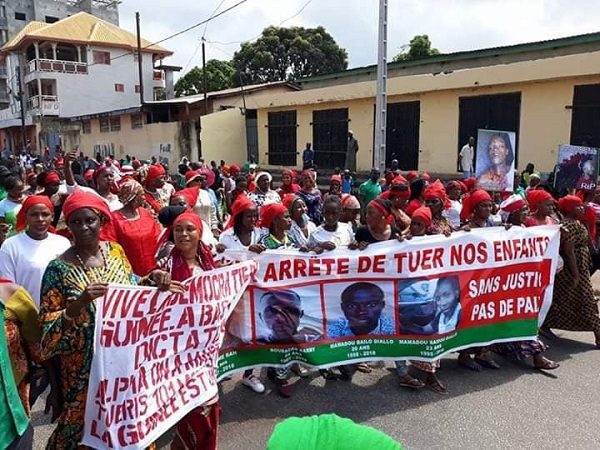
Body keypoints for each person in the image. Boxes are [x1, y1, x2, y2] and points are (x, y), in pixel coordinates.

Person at [38, 189, 180, 449]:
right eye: (76, 222)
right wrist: (79, 303)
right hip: (83, 371)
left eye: (89, 220)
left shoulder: (115, 251)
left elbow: (131, 286)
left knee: (128, 423)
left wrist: (151, 279)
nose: (83, 227)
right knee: (79, 430)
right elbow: (46, 335)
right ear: (67, 226)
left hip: (123, 364)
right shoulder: (57, 269)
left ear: (102, 221)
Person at [155, 211, 221, 450]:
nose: (183, 234)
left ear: (199, 233)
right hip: (176, 353)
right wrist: (154, 279)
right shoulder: (164, 265)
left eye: (189, 229)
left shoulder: (210, 262)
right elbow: (142, 293)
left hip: (205, 351)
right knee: (187, 409)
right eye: (178, 230)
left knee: (206, 407)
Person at [542, 195, 600, 347]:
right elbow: (569, 252)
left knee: (565, 300)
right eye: (577, 206)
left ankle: (546, 324)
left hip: (582, 266)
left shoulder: (578, 223)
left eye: (581, 205)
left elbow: (589, 245)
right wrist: (575, 274)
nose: (581, 208)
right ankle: (598, 333)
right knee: (586, 300)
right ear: (568, 209)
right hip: (572, 268)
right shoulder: (568, 225)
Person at [0, 196, 70, 307]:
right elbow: (8, 288)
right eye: (34, 215)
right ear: (25, 217)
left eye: (45, 214)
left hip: (57, 314)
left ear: (52, 217)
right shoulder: (10, 246)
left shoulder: (63, 243)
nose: (40, 219)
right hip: (24, 315)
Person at [101, 178, 162, 276]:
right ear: (133, 197)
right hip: (129, 272)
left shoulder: (145, 213)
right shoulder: (113, 219)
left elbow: (158, 235)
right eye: (141, 195)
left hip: (153, 269)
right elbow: (110, 247)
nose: (144, 198)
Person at [328, 282, 394, 338]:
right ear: (343, 307)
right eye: (352, 306)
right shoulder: (335, 328)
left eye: (371, 305)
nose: (361, 311)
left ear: (382, 305)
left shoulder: (392, 328)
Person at [257, 290, 322, 344]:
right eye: (272, 311)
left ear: (300, 314)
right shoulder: (253, 348)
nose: (281, 318)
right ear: (261, 317)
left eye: (290, 311)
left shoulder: (319, 344)